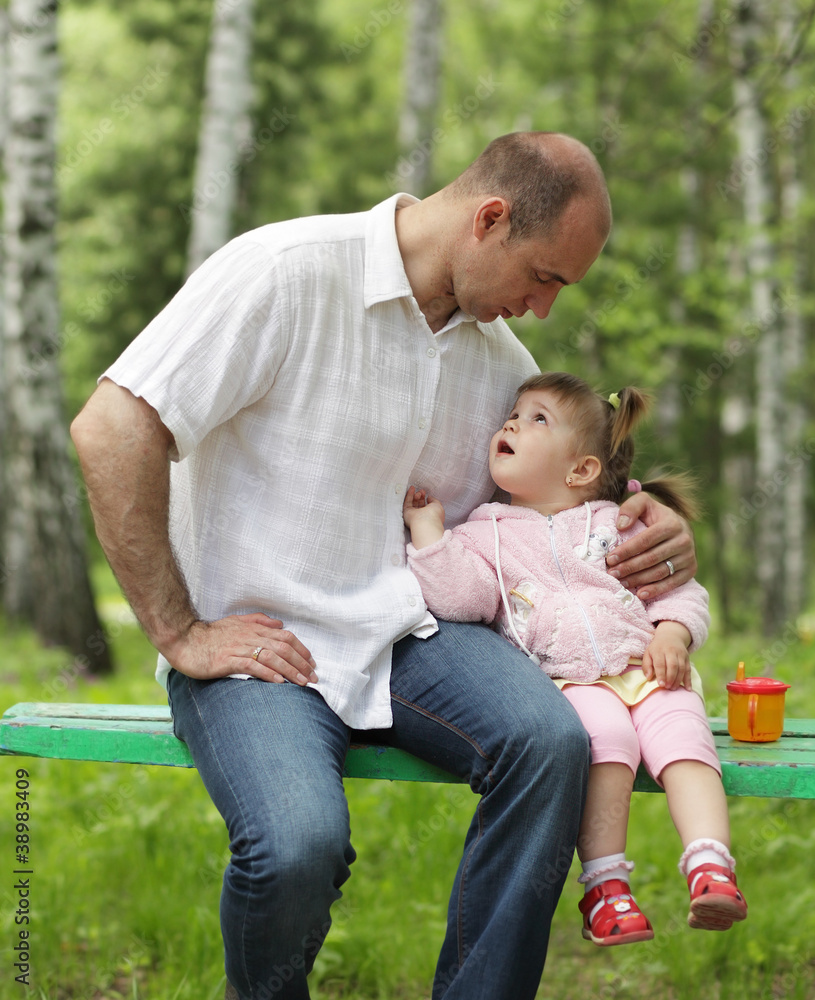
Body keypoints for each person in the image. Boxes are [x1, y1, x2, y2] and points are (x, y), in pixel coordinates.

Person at [69, 132, 698, 1000]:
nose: (543, 308)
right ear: (489, 220)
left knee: (550, 742)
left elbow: (565, 496)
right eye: (545, 277)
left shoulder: (502, 366)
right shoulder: (284, 272)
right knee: (295, 845)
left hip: (416, 634)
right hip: (260, 646)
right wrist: (179, 631)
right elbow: (110, 427)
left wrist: (657, 518)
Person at [403, 371, 747, 946]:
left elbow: (681, 591)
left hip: (651, 668)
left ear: (581, 470)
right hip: (567, 679)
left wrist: (672, 636)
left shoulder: (619, 524)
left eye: (537, 419)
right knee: (608, 745)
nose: (511, 423)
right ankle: (606, 888)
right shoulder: (485, 535)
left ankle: (712, 866)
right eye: (513, 413)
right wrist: (430, 535)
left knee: (687, 743)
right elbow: (463, 600)